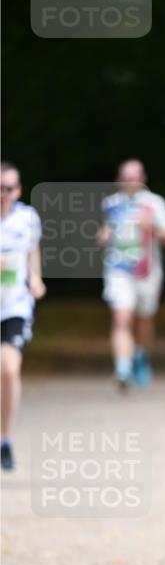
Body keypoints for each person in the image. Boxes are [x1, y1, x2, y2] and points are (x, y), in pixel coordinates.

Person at [98, 159, 165, 389]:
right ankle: (122, 369)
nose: (130, 181)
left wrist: (152, 228)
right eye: (125, 176)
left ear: (143, 178)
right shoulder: (110, 204)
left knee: (144, 320)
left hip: (147, 271)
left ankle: (141, 356)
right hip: (118, 271)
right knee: (121, 318)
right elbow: (103, 234)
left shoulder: (154, 204)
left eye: (134, 176)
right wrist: (103, 237)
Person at [0, 161, 46, 471]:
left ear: (17, 190)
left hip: (13, 306)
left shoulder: (27, 218)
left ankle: (5, 438)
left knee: (8, 368)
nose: (3, 194)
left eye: (8, 188)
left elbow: (32, 250)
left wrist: (36, 278)